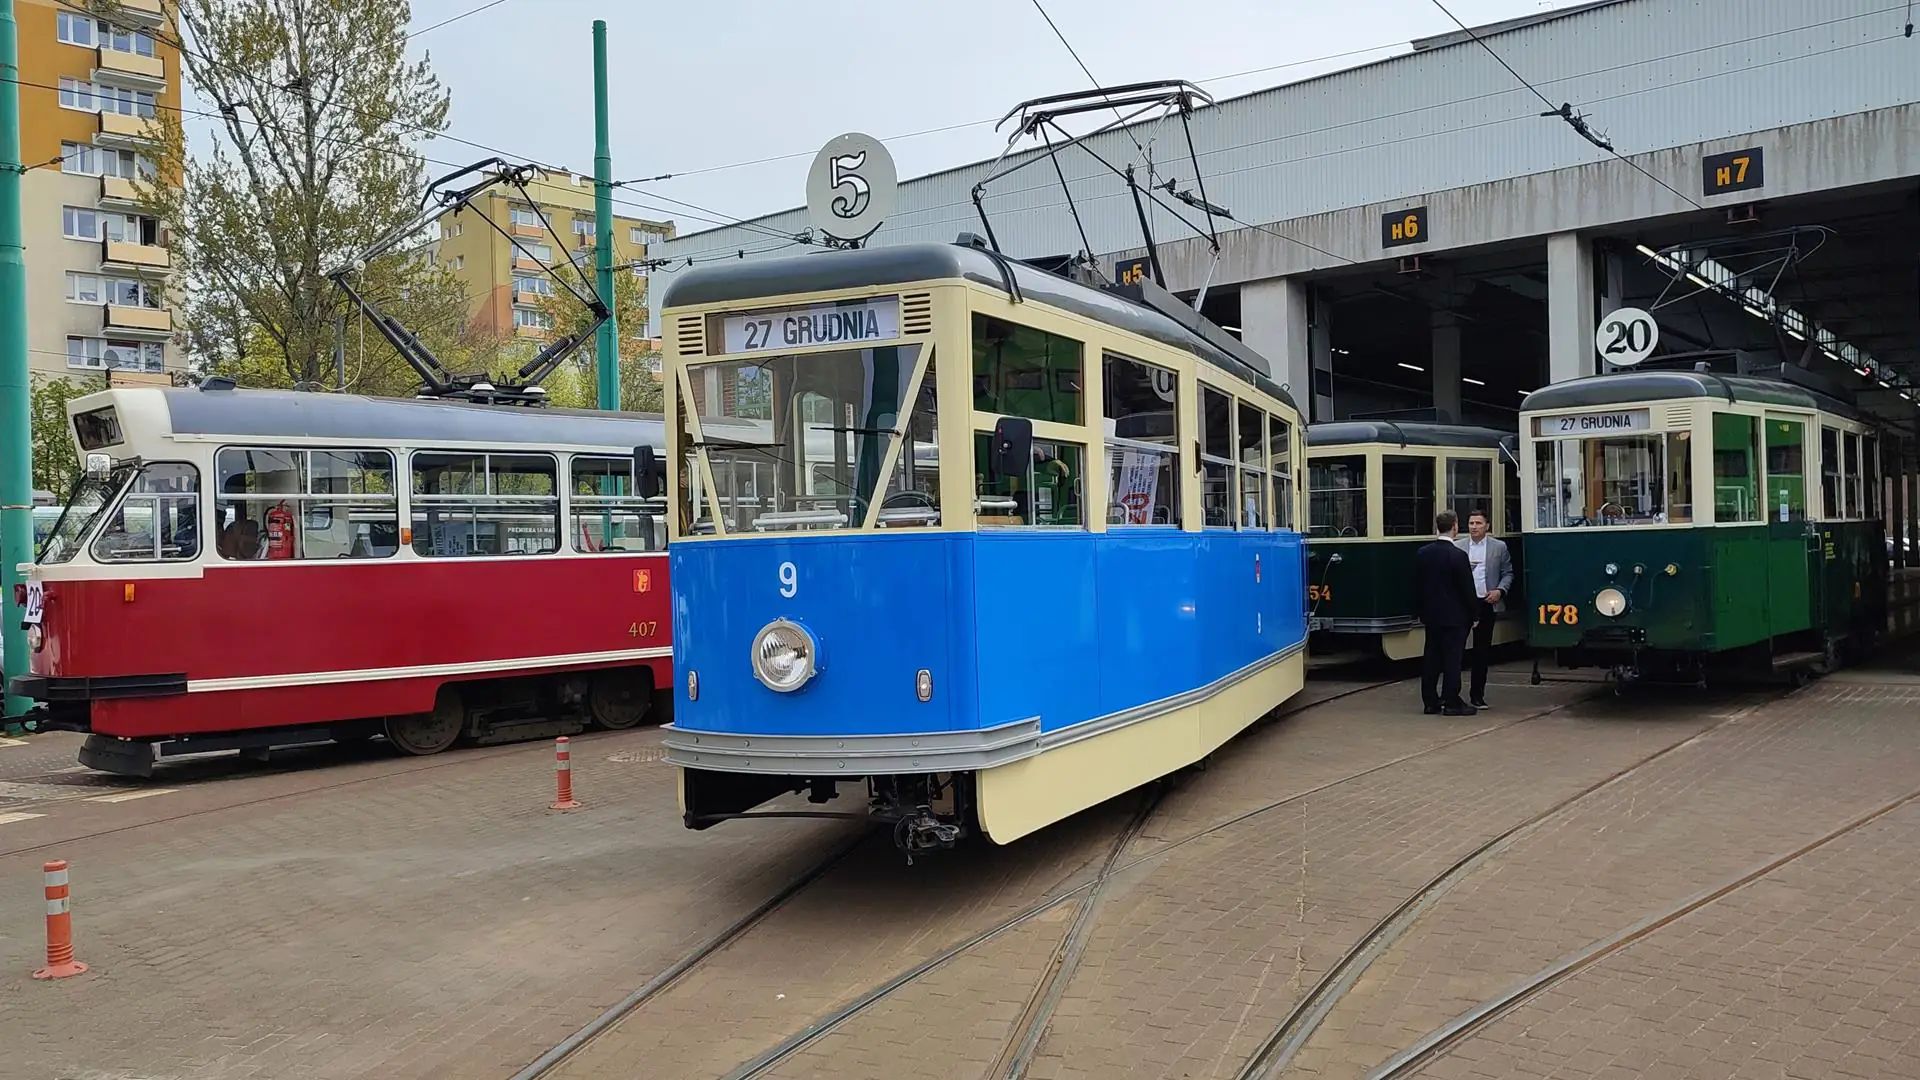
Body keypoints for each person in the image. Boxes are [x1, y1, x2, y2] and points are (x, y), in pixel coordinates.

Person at [1414, 509, 1479, 716]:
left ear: (1437, 527)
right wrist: (1475, 614)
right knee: (1452, 659)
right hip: (1455, 617)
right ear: (1455, 526)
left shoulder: (1423, 553)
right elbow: (1467, 588)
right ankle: (1452, 701)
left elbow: (1417, 585)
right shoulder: (1458, 556)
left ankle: (1430, 701)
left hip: (1432, 616)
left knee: (1431, 658)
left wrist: (1420, 611)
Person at [1456, 509, 1514, 710]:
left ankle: (1477, 695)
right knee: (1457, 649)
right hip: (1464, 604)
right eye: (1471, 523)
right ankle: (1452, 694)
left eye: (1478, 523)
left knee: (1481, 651)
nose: (1474, 527)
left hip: (1487, 602)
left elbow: (1508, 573)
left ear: (1487, 526)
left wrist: (1500, 590)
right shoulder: (1458, 546)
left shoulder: (1499, 547)